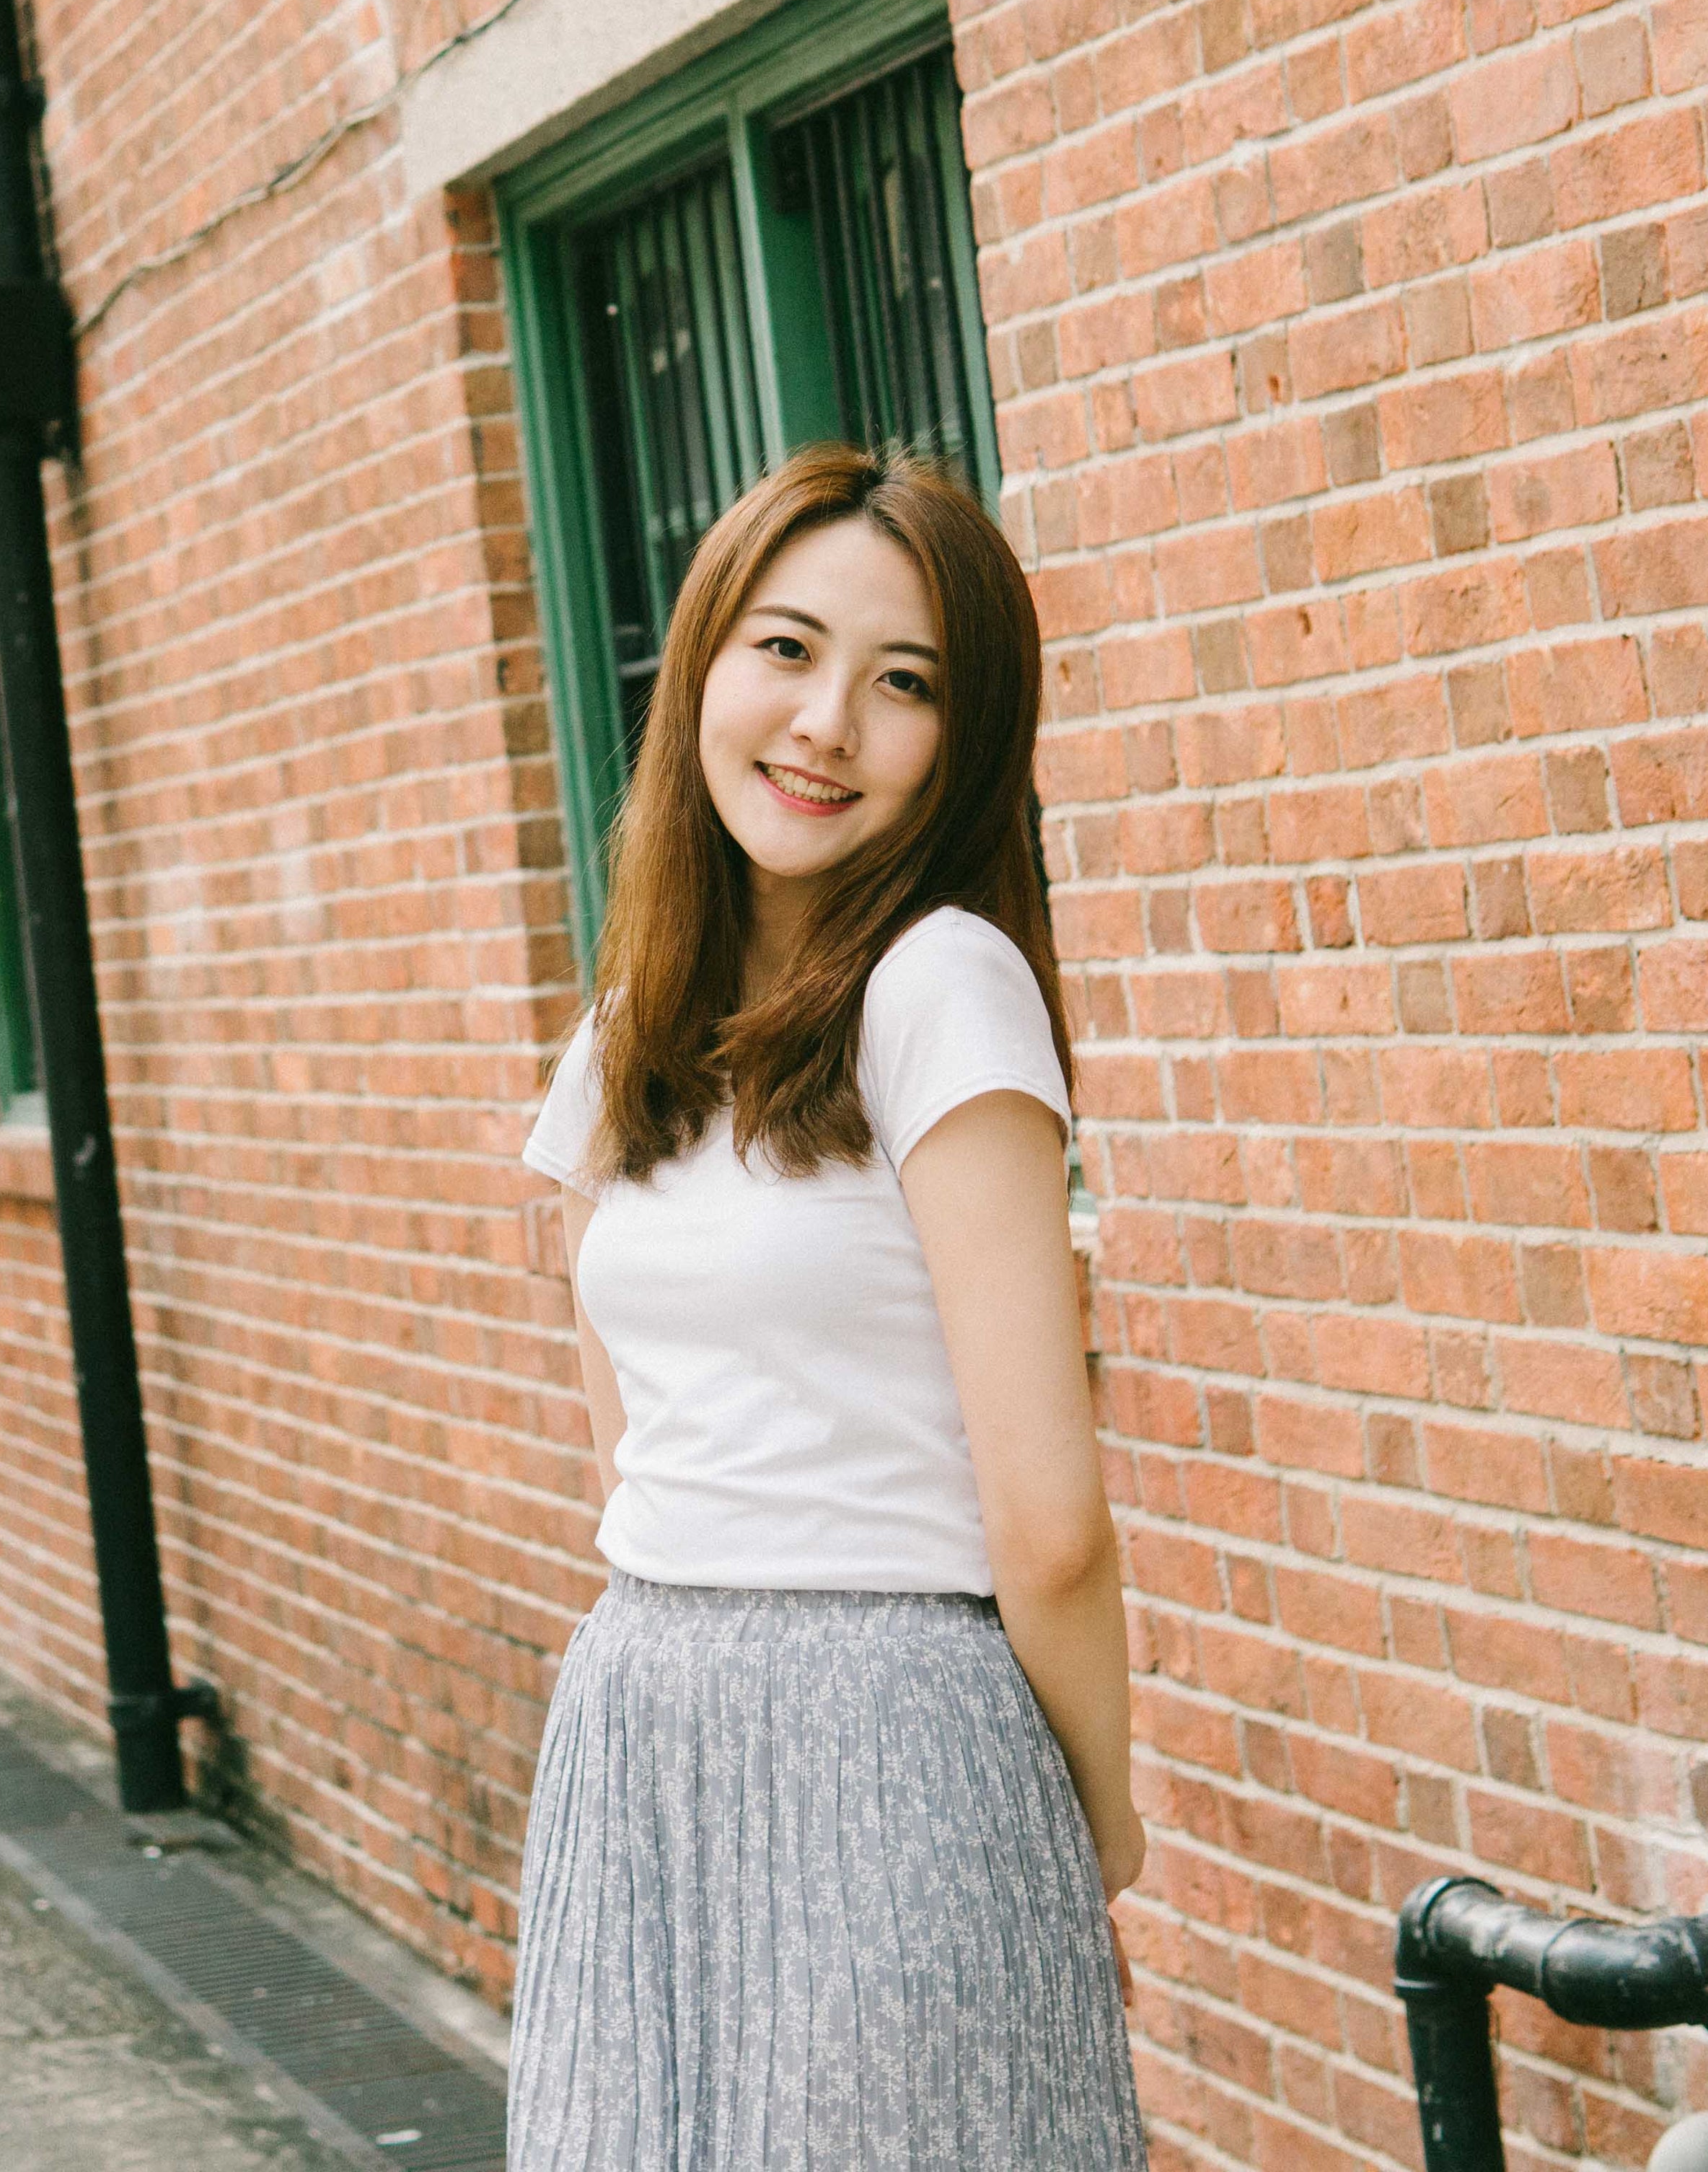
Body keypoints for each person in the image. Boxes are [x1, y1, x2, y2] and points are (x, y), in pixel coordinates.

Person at [509, 443, 1147, 2169]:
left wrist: (1085, 1829)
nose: (825, 723)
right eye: (785, 650)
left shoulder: (945, 984)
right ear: (702, 662)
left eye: (905, 682)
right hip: (643, 1735)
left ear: (965, 742)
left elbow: (1053, 1528)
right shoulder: (640, 1010)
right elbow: (625, 1421)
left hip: (897, 1736)